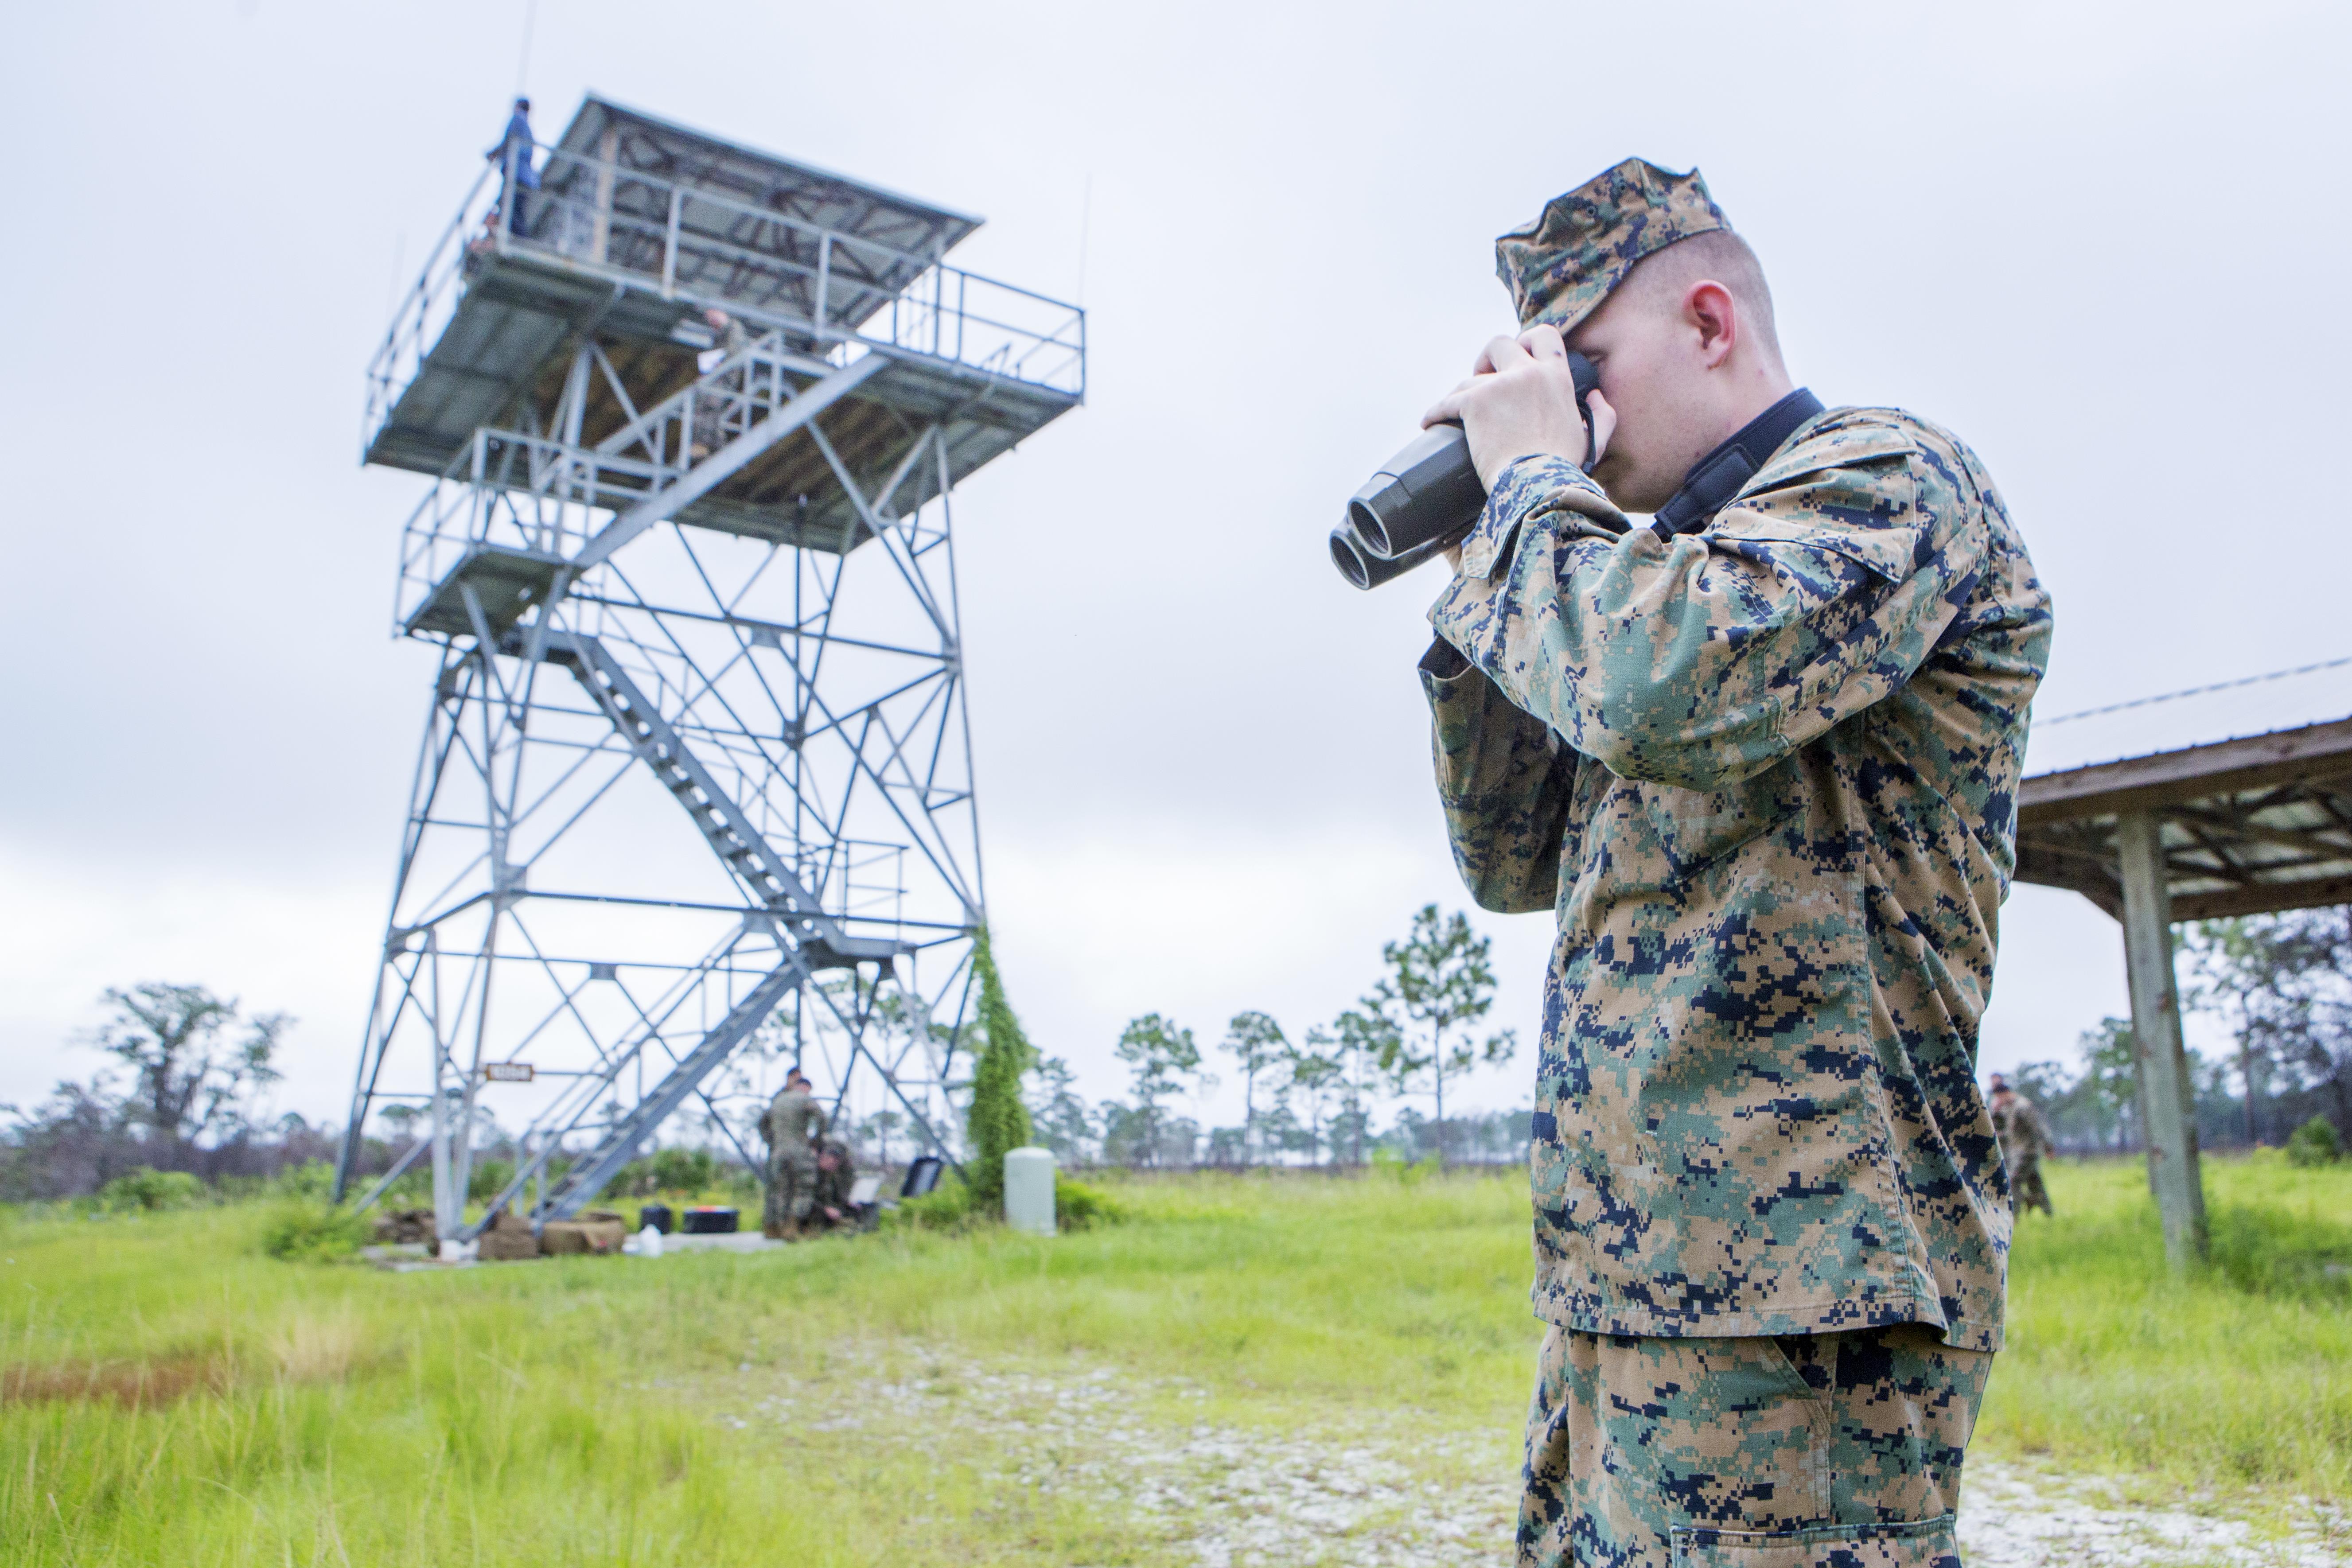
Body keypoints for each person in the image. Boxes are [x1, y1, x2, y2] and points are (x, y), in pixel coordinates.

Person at [1413, 159, 2052, 1567]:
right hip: (1625, 1285)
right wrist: (1489, 558)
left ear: (1709, 322)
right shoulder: (1635, 572)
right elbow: (1510, 857)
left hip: (1805, 1311)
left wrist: (1531, 490)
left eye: (1582, 367)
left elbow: (1658, 684)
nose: (1564, 414)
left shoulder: (1888, 479)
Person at [758, 1068, 824, 1240]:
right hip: (800, 1151)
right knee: (803, 1190)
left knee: (781, 1190)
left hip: (778, 1152)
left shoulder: (778, 1100)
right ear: (805, 1088)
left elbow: (762, 1123)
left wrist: (772, 1142)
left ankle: (774, 1229)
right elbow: (822, 1118)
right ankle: (792, 1228)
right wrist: (815, 1143)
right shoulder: (805, 1099)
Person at [1989, 1074, 2056, 1216]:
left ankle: (2014, 1217)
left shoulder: (2022, 1106)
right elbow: (2005, 1131)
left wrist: (2048, 1148)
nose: (1998, 1101)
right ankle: (2048, 1213)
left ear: (2006, 1094)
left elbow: (2038, 1128)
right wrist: (1996, 1112)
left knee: (2013, 1182)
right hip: (2018, 1153)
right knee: (2035, 1183)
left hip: (2028, 1153)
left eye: (2000, 1098)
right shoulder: (2009, 1108)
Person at [485, 96, 539, 238]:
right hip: (525, 177)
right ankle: (520, 238)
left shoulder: (518, 119)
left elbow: (509, 140)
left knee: (510, 210)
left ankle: (521, 239)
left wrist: (493, 154)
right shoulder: (528, 129)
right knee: (515, 210)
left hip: (516, 174)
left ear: (518, 107)